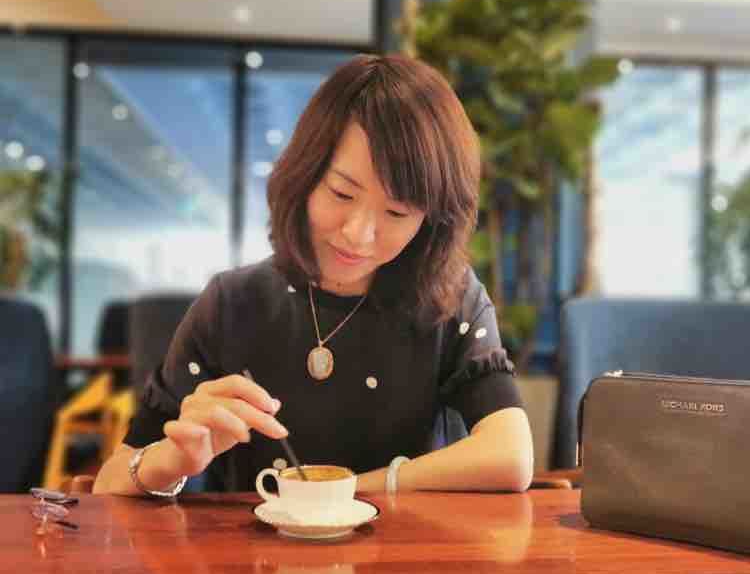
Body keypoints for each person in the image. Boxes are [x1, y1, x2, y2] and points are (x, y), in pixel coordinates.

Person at [93, 54, 533, 497]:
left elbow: (511, 456)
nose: (358, 233)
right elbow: (109, 485)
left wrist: (339, 493)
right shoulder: (232, 303)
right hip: (259, 544)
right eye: (342, 193)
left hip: (405, 544)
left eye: (397, 212)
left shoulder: (449, 300)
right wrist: (172, 460)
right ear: (305, 175)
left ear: (431, 221)